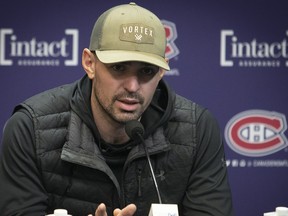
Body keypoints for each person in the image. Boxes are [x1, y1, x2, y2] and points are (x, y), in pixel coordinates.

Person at [0, 2, 234, 216]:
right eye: (119, 67)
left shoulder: (197, 129)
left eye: (147, 71)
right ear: (90, 64)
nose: (132, 87)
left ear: (162, 72)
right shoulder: (30, 128)